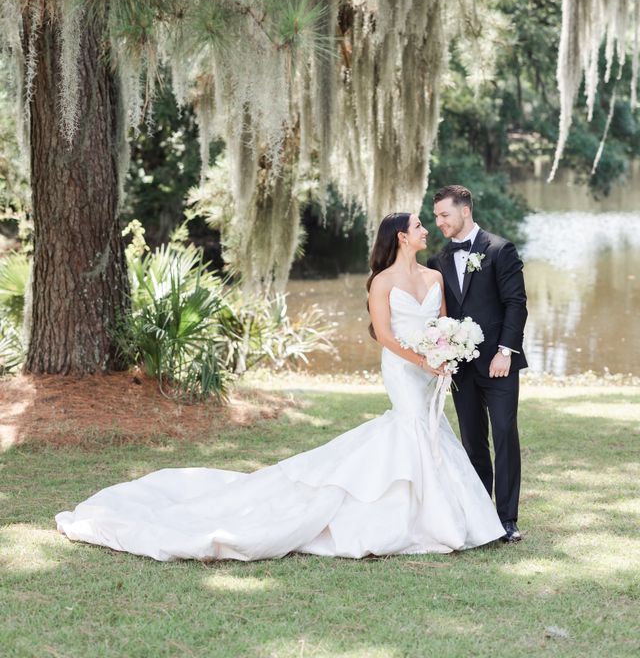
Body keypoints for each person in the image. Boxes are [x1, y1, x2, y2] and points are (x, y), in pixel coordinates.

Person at [55, 212, 505, 562]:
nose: (427, 229)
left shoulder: (434, 277)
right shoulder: (382, 282)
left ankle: (444, 516)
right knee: (409, 428)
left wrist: (445, 354)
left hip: (431, 370)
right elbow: (385, 335)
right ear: (402, 237)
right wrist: (422, 358)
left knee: (431, 430)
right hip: (403, 368)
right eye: (419, 225)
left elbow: (443, 322)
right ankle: (412, 521)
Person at [427, 185, 528, 543]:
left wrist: (506, 351)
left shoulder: (500, 250)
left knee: (504, 435)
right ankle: (480, 513)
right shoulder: (438, 261)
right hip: (461, 368)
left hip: (499, 363)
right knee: (472, 440)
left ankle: (507, 519)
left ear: (465, 210)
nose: (438, 222)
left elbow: (516, 304)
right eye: (436, 216)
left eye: (444, 215)